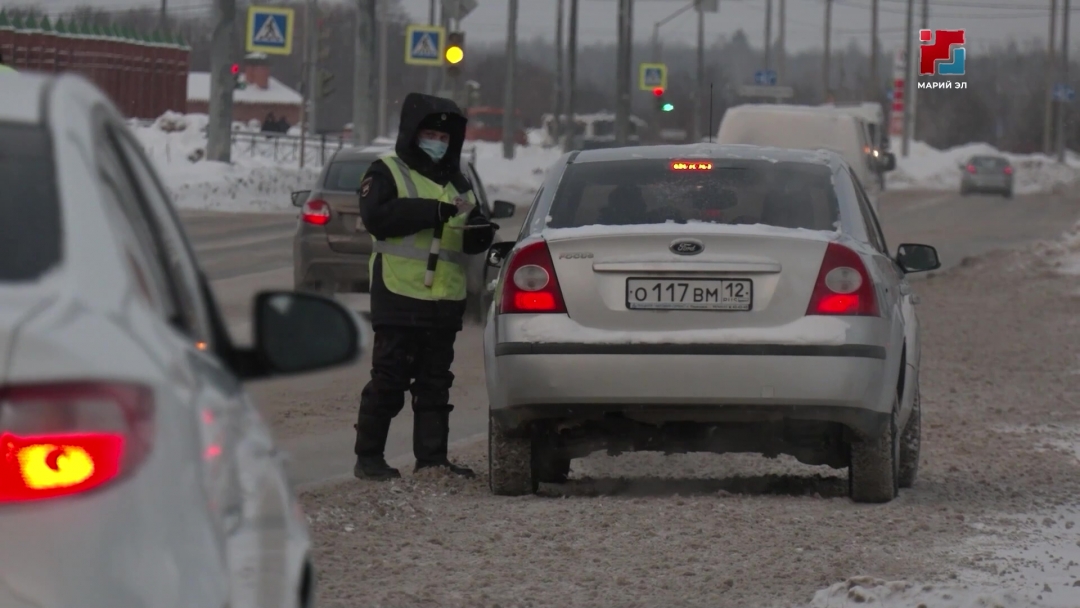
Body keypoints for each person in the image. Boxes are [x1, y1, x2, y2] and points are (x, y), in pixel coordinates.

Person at [353, 92, 498, 481]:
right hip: (398, 292)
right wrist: (431, 212)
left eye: (444, 136)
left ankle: (432, 460)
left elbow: (468, 234)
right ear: (412, 133)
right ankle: (369, 458)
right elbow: (378, 216)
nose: (438, 141)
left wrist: (481, 232)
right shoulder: (387, 171)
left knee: (435, 384)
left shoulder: (458, 182)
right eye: (430, 132)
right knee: (389, 379)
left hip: (444, 298)